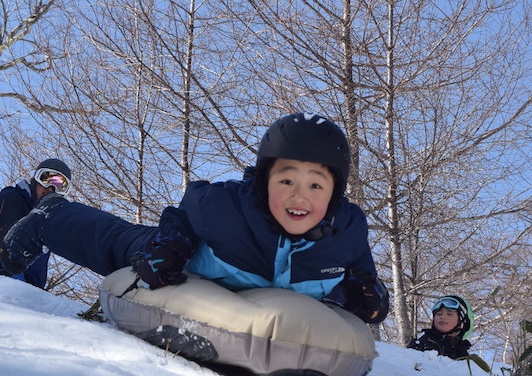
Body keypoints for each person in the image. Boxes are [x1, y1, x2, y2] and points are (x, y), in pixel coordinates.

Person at [0, 112, 389, 324]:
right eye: (286, 179)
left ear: (336, 192)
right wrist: (172, 245)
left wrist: (369, 296)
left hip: (271, 296)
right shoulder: (227, 206)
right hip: (192, 261)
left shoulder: (347, 230)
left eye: (316, 185)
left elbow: (361, 273)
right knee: (115, 242)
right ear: (263, 180)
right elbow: (183, 214)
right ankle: (45, 220)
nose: (299, 196)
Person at [0, 158, 72, 288]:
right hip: (7, 285)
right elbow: (4, 237)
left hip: (29, 292)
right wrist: (13, 278)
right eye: (47, 180)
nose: (51, 188)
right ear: (35, 179)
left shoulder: (46, 221)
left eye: (60, 186)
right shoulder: (12, 198)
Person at [407, 295, 474, 359]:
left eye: (449, 314)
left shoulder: (465, 357)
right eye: (439, 314)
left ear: (461, 323)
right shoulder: (422, 343)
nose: (442, 317)